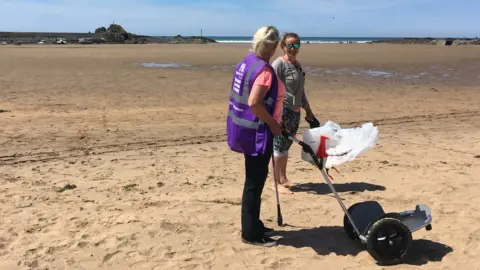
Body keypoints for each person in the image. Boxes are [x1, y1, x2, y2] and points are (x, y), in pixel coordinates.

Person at [226, 25, 286, 247]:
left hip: (242, 129)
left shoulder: (246, 61)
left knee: (254, 180)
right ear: (271, 45)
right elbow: (254, 102)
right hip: (257, 133)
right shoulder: (264, 71)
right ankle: (250, 233)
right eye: (276, 44)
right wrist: (273, 124)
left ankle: (254, 224)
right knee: (254, 182)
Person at [270, 32, 320, 194]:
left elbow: (301, 92)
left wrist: (309, 112)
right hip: (282, 110)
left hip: (295, 111)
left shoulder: (297, 65)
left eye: (296, 45)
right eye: (289, 45)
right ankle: (276, 182)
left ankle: (283, 178)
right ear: (283, 46)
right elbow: (271, 90)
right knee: (279, 144)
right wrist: (276, 116)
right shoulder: (279, 64)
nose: (293, 48)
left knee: (287, 144)